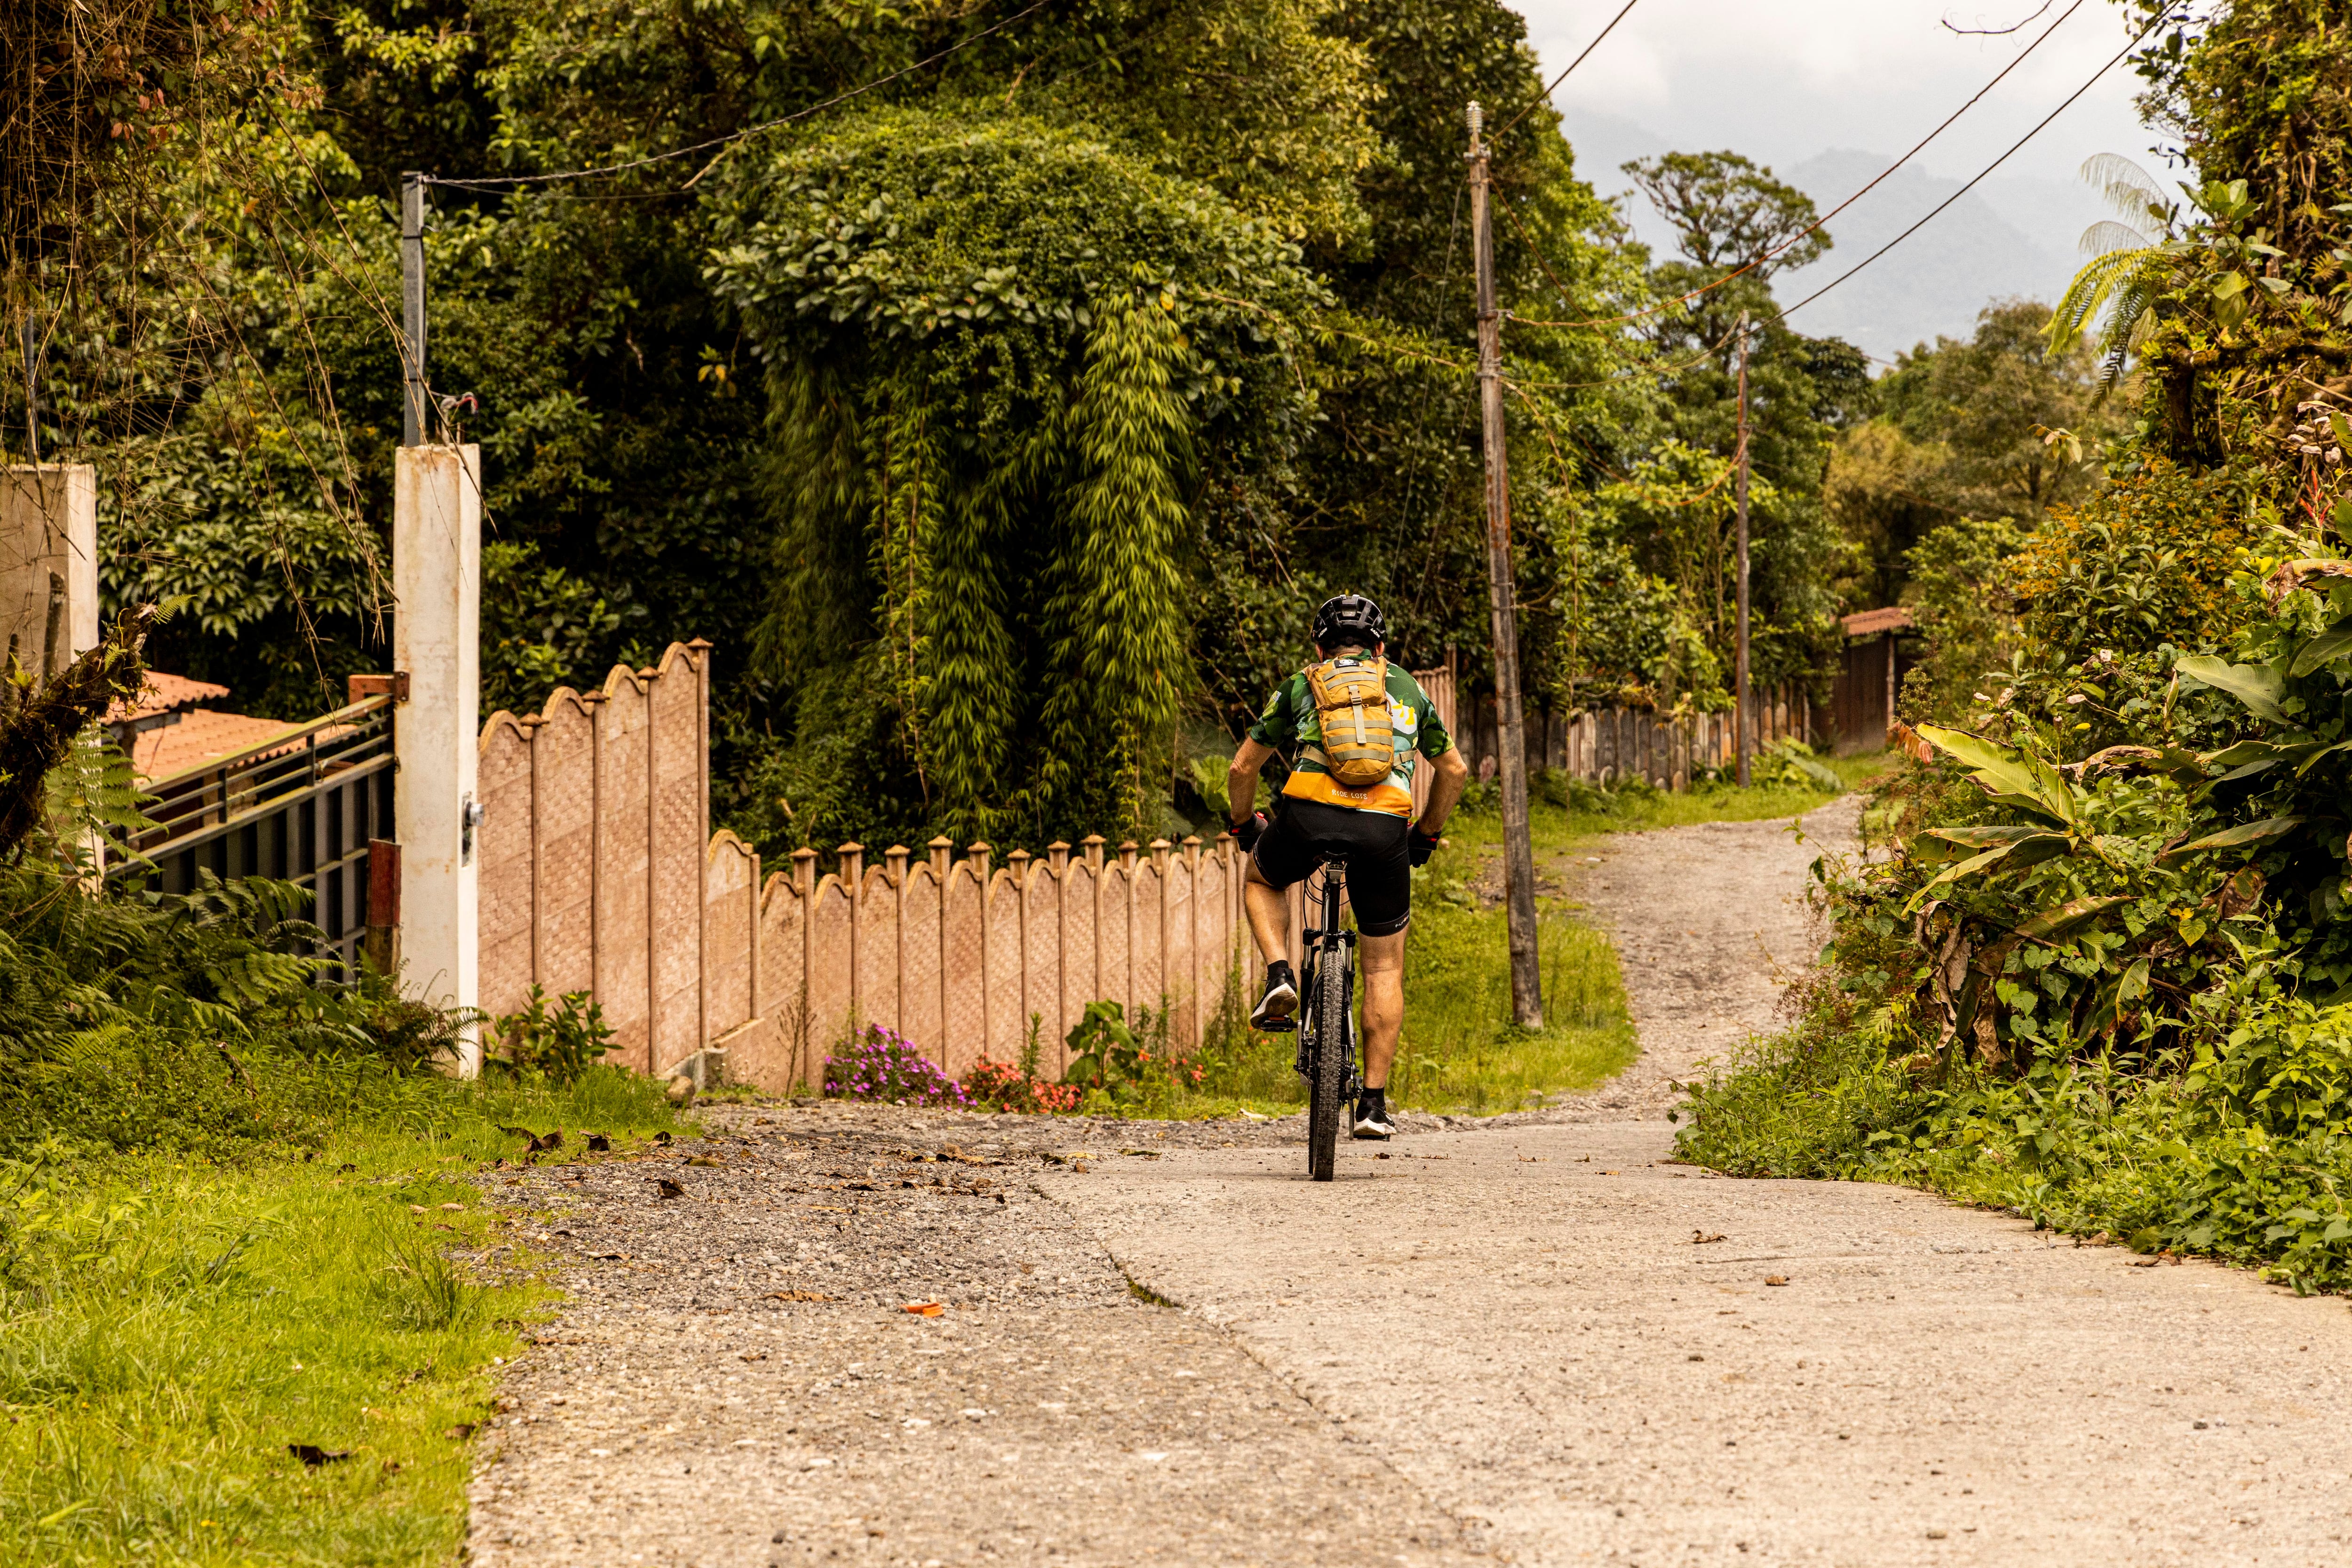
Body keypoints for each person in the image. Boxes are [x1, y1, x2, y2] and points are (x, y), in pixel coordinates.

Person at [1224, 593, 1469, 1140]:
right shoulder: (1406, 687)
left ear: (1319, 648)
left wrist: (1243, 823)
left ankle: (1279, 975)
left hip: (1307, 817)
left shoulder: (1301, 684)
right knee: (1383, 968)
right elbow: (1453, 771)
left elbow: (1242, 768)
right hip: (1382, 829)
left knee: (1262, 878)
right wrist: (1426, 834)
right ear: (1379, 648)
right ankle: (1372, 1106)